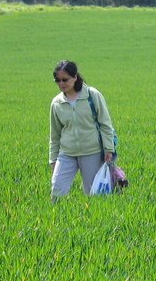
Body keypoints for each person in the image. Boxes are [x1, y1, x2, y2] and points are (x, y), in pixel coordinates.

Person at [49, 60, 115, 201]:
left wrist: (109, 148)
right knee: (57, 190)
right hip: (67, 153)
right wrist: (53, 159)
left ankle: (92, 221)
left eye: (65, 79)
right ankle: (56, 220)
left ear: (75, 77)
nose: (61, 83)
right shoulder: (57, 103)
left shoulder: (92, 95)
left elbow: (105, 123)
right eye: (57, 80)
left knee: (93, 193)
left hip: (91, 152)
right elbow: (55, 135)